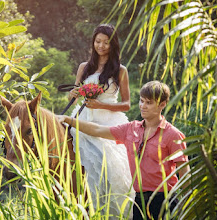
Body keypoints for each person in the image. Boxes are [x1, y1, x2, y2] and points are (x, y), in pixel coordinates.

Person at [58, 81, 190, 220]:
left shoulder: (173, 135)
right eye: (141, 101)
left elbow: (185, 175)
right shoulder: (130, 129)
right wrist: (68, 119)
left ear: (162, 104)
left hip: (165, 202)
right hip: (139, 202)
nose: (143, 106)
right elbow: (97, 130)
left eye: (149, 103)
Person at [68, 24, 135, 218]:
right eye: (98, 42)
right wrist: (74, 93)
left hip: (109, 120)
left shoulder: (120, 70)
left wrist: (100, 105)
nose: (101, 46)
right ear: (93, 42)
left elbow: (127, 104)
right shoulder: (84, 67)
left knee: (110, 163)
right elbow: (74, 96)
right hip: (84, 116)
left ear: (113, 44)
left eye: (106, 42)